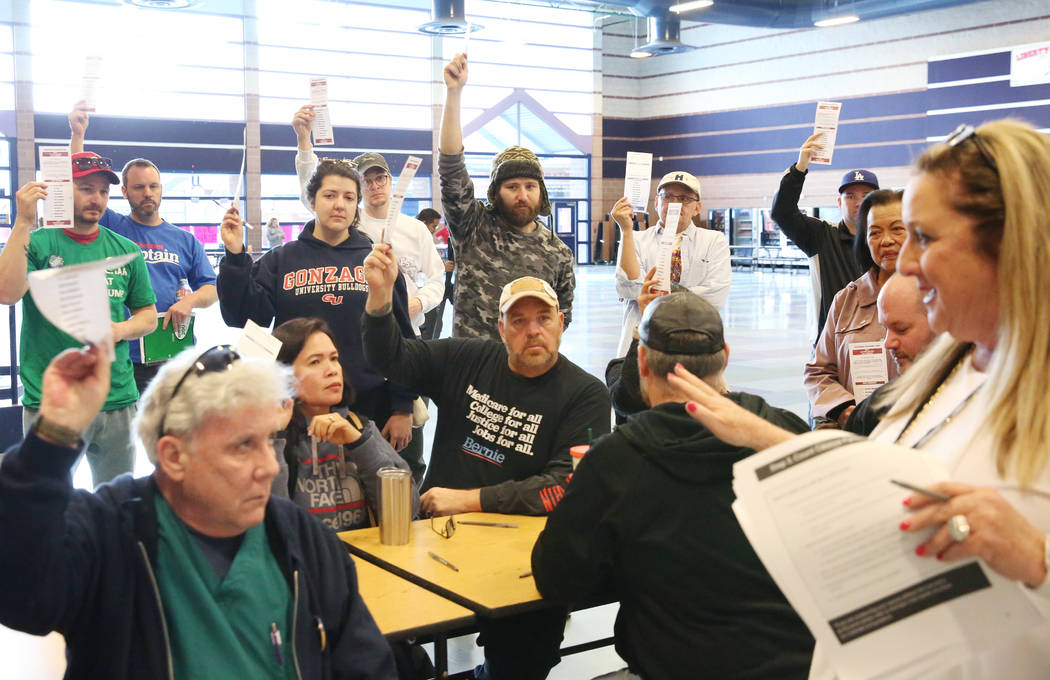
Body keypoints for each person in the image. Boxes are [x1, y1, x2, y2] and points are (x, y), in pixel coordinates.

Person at [669, 119, 1050, 678]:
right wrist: (770, 441)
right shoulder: (951, 364)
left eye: (926, 236)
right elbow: (892, 484)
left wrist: (1037, 564)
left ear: (1010, 241)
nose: (905, 260)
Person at [0, 344, 396, 678]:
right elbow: (23, 598)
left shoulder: (300, 539)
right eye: (243, 446)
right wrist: (51, 442)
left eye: (266, 441)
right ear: (173, 457)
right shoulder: (108, 531)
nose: (270, 466)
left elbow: (365, 666)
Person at [533, 292, 814, 680]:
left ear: (642, 362)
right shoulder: (785, 433)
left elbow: (555, 579)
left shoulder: (616, 460)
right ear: (726, 356)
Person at [362, 247, 610, 680]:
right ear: (501, 328)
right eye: (518, 321)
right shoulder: (468, 359)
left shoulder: (585, 394)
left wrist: (471, 499)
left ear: (561, 323)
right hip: (439, 541)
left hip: (522, 551)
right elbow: (392, 359)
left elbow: (566, 485)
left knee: (526, 656)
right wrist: (381, 301)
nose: (532, 331)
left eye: (543, 319)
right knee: (382, 638)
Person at [216, 158, 419, 458]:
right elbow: (242, 316)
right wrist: (235, 256)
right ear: (312, 201)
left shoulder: (377, 260)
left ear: (357, 206)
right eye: (329, 195)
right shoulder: (281, 260)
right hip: (298, 407)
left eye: (349, 197)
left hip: (369, 403)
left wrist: (403, 407)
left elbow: (401, 335)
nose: (339, 205)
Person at [0, 154, 157, 485]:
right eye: (86, 189)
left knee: (116, 505)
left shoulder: (125, 249)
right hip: (53, 404)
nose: (96, 199)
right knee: (45, 502)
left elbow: (147, 316)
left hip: (117, 399)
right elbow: (7, 294)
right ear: (62, 190)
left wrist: (121, 329)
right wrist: (23, 222)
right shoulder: (39, 243)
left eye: (102, 191)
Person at [69, 103, 218, 395]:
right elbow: (78, 186)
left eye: (153, 186)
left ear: (161, 189)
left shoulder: (185, 240)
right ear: (124, 192)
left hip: (173, 355)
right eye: (138, 188)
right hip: (124, 355)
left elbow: (211, 288)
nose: (147, 193)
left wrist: (189, 302)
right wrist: (77, 136)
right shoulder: (112, 226)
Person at [438, 53, 576, 340]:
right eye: (512, 187)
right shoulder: (473, 227)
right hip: (471, 369)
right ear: (496, 192)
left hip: (527, 374)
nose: (522, 195)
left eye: (530, 186)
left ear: (542, 191)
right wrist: (454, 93)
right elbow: (451, 168)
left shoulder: (558, 252)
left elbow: (562, 318)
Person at [292, 106, 444, 339]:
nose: (374, 186)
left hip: (405, 332)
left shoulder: (416, 229)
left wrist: (418, 303)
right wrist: (304, 142)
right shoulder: (349, 224)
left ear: (390, 180)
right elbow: (310, 195)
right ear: (358, 187)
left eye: (380, 178)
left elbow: (436, 278)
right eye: (366, 180)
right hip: (357, 330)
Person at [270, 317, 419, 531]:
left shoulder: (360, 427)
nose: (332, 370)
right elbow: (273, 528)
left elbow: (407, 511)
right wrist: (274, 436)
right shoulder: (272, 438)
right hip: (305, 561)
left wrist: (359, 443)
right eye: (315, 362)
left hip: (365, 559)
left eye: (334, 358)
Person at [804, 189, 904, 427]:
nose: (886, 240)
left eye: (897, 229)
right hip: (855, 430)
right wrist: (842, 409)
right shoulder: (846, 300)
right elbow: (819, 372)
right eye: (875, 232)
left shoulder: (936, 297)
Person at [612, 170, 731, 356]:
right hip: (644, 341)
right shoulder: (635, 240)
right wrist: (625, 230)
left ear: (697, 207)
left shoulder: (714, 241)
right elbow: (627, 288)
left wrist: (653, 293)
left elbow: (715, 295)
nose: (674, 204)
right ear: (656, 203)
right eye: (667, 197)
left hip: (694, 341)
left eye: (684, 198)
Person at [771, 133, 878, 338]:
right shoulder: (821, 236)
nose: (858, 202)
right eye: (850, 196)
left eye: (867, 196)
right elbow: (782, 212)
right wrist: (799, 169)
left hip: (881, 340)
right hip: (830, 342)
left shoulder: (887, 242)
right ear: (839, 203)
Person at [842, 273, 937, 435]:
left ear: (940, 321)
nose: (888, 343)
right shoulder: (876, 408)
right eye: (885, 329)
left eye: (901, 329)